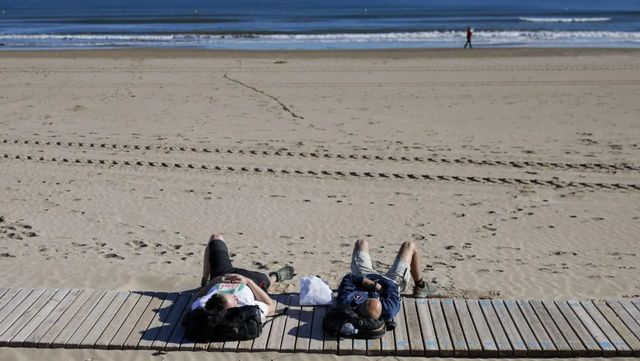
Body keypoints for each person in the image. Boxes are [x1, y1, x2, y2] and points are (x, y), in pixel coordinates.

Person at [192, 234, 294, 322]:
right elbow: (271, 306)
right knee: (266, 280)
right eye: (234, 300)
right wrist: (248, 281)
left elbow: (194, 298)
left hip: (222, 276)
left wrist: (213, 282)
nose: (234, 297)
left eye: (222, 295)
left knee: (216, 238)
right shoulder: (247, 309)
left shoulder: (203, 306)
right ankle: (275, 277)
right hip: (249, 282)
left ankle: (204, 280)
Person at [336, 239, 435, 323]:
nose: (369, 298)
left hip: (366, 276)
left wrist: (373, 284)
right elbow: (393, 286)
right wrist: (378, 285)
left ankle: (372, 272)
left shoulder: (347, 302)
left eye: (366, 301)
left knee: (361, 242)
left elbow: (349, 278)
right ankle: (420, 286)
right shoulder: (389, 309)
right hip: (391, 281)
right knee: (409, 245)